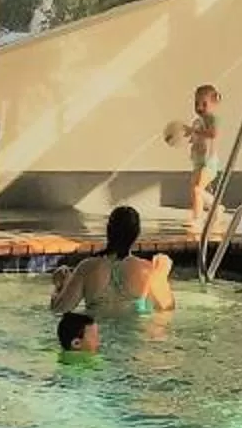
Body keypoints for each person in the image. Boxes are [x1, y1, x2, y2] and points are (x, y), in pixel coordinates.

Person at [52, 204, 176, 320]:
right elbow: (167, 307)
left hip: (95, 332)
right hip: (133, 333)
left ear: (108, 230)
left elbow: (60, 309)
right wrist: (162, 274)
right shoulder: (146, 270)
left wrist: (61, 285)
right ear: (137, 234)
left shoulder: (87, 267)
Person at [165, 83, 221, 236]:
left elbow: (213, 134)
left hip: (209, 162)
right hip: (198, 161)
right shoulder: (197, 121)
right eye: (196, 103)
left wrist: (194, 131)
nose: (199, 107)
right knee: (195, 190)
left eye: (204, 104)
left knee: (198, 190)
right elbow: (195, 137)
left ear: (214, 103)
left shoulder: (213, 119)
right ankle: (213, 208)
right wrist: (183, 137)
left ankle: (198, 218)